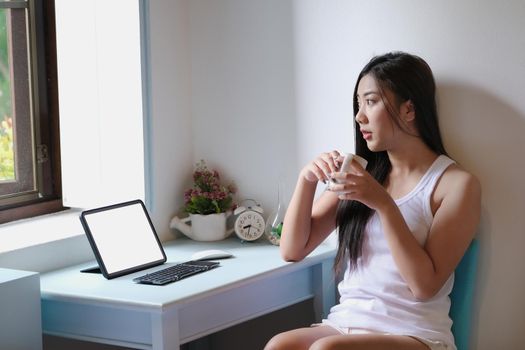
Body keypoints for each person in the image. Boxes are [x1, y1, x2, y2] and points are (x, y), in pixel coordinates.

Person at [264, 52, 481, 350]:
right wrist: (307, 180)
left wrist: (384, 204)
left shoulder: (455, 184)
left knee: (325, 349)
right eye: (358, 104)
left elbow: (424, 286)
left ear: (409, 109)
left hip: (416, 334)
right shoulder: (360, 173)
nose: (359, 116)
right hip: (347, 324)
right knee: (280, 345)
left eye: (370, 101)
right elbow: (292, 250)